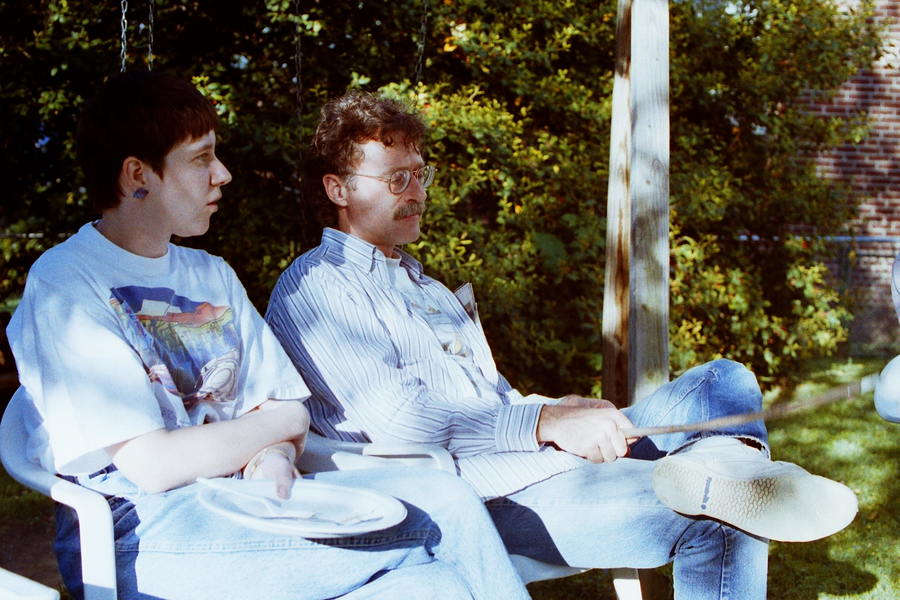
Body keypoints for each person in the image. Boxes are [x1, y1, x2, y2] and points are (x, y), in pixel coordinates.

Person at [265, 90, 861, 599]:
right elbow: (403, 423)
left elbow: (493, 398)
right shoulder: (317, 286)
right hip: (476, 497)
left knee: (721, 382)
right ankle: (724, 479)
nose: (417, 191)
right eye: (398, 178)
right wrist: (546, 422)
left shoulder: (427, 286)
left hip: (536, 458)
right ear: (337, 189)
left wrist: (560, 409)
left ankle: (725, 468)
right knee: (718, 515)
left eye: (421, 174)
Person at [5, 73, 531, 600]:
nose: (223, 174)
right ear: (138, 174)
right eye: (201, 158)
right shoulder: (66, 283)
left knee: (433, 583)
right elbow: (154, 464)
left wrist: (271, 457)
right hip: (138, 533)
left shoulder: (211, 275)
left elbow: (284, 414)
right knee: (443, 515)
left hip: (245, 504)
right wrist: (276, 425)